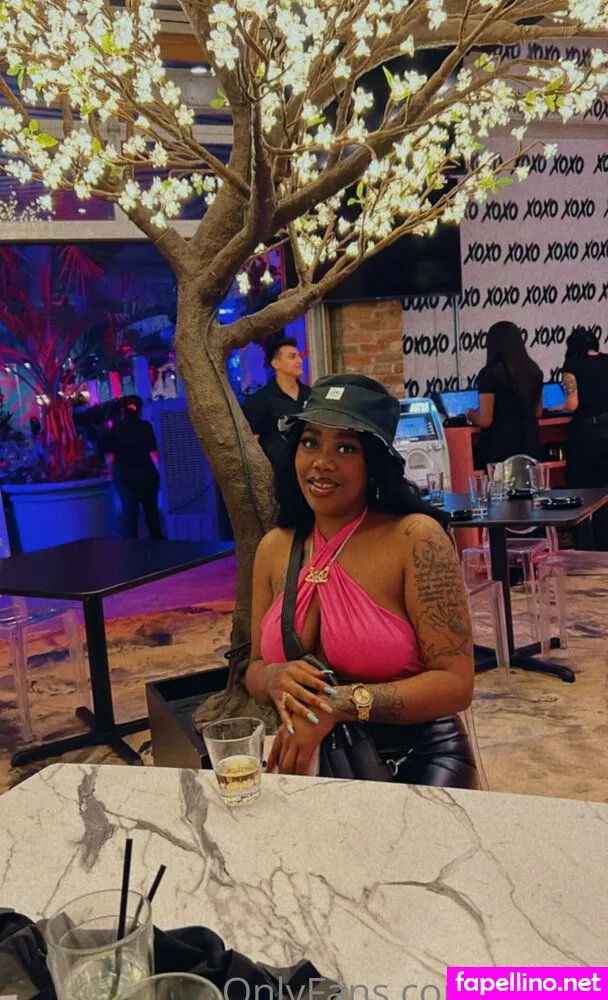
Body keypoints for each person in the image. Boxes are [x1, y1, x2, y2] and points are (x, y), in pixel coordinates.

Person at [245, 373, 477, 786]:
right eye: (310, 442)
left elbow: (456, 685)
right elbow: (255, 668)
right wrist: (273, 678)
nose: (322, 462)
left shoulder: (415, 539)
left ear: (373, 462)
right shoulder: (273, 548)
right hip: (317, 762)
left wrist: (337, 705)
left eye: (346, 447)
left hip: (414, 759)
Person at [466, 321, 543, 467]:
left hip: (499, 449)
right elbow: (537, 412)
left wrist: (469, 414)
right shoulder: (534, 371)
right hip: (530, 445)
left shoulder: (489, 374)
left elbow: (485, 420)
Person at [560, 329, 608, 549]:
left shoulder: (572, 366)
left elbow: (572, 405)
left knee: (581, 494)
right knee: (604, 495)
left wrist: (558, 407)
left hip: (586, 434)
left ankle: (585, 547)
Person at [242, 335, 310, 467]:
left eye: (299, 356)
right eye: (292, 357)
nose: (299, 361)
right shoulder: (260, 400)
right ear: (276, 364)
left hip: (307, 468)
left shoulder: (310, 395)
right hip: (276, 472)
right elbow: (251, 444)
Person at [103, 395, 163, 539]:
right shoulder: (145, 426)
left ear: (122, 411)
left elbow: (111, 455)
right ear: (139, 409)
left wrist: (109, 472)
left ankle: (131, 545)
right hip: (146, 474)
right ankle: (158, 543)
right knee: (151, 511)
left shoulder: (116, 428)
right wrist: (162, 473)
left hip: (125, 475)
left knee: (129, 512)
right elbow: (153, 454)